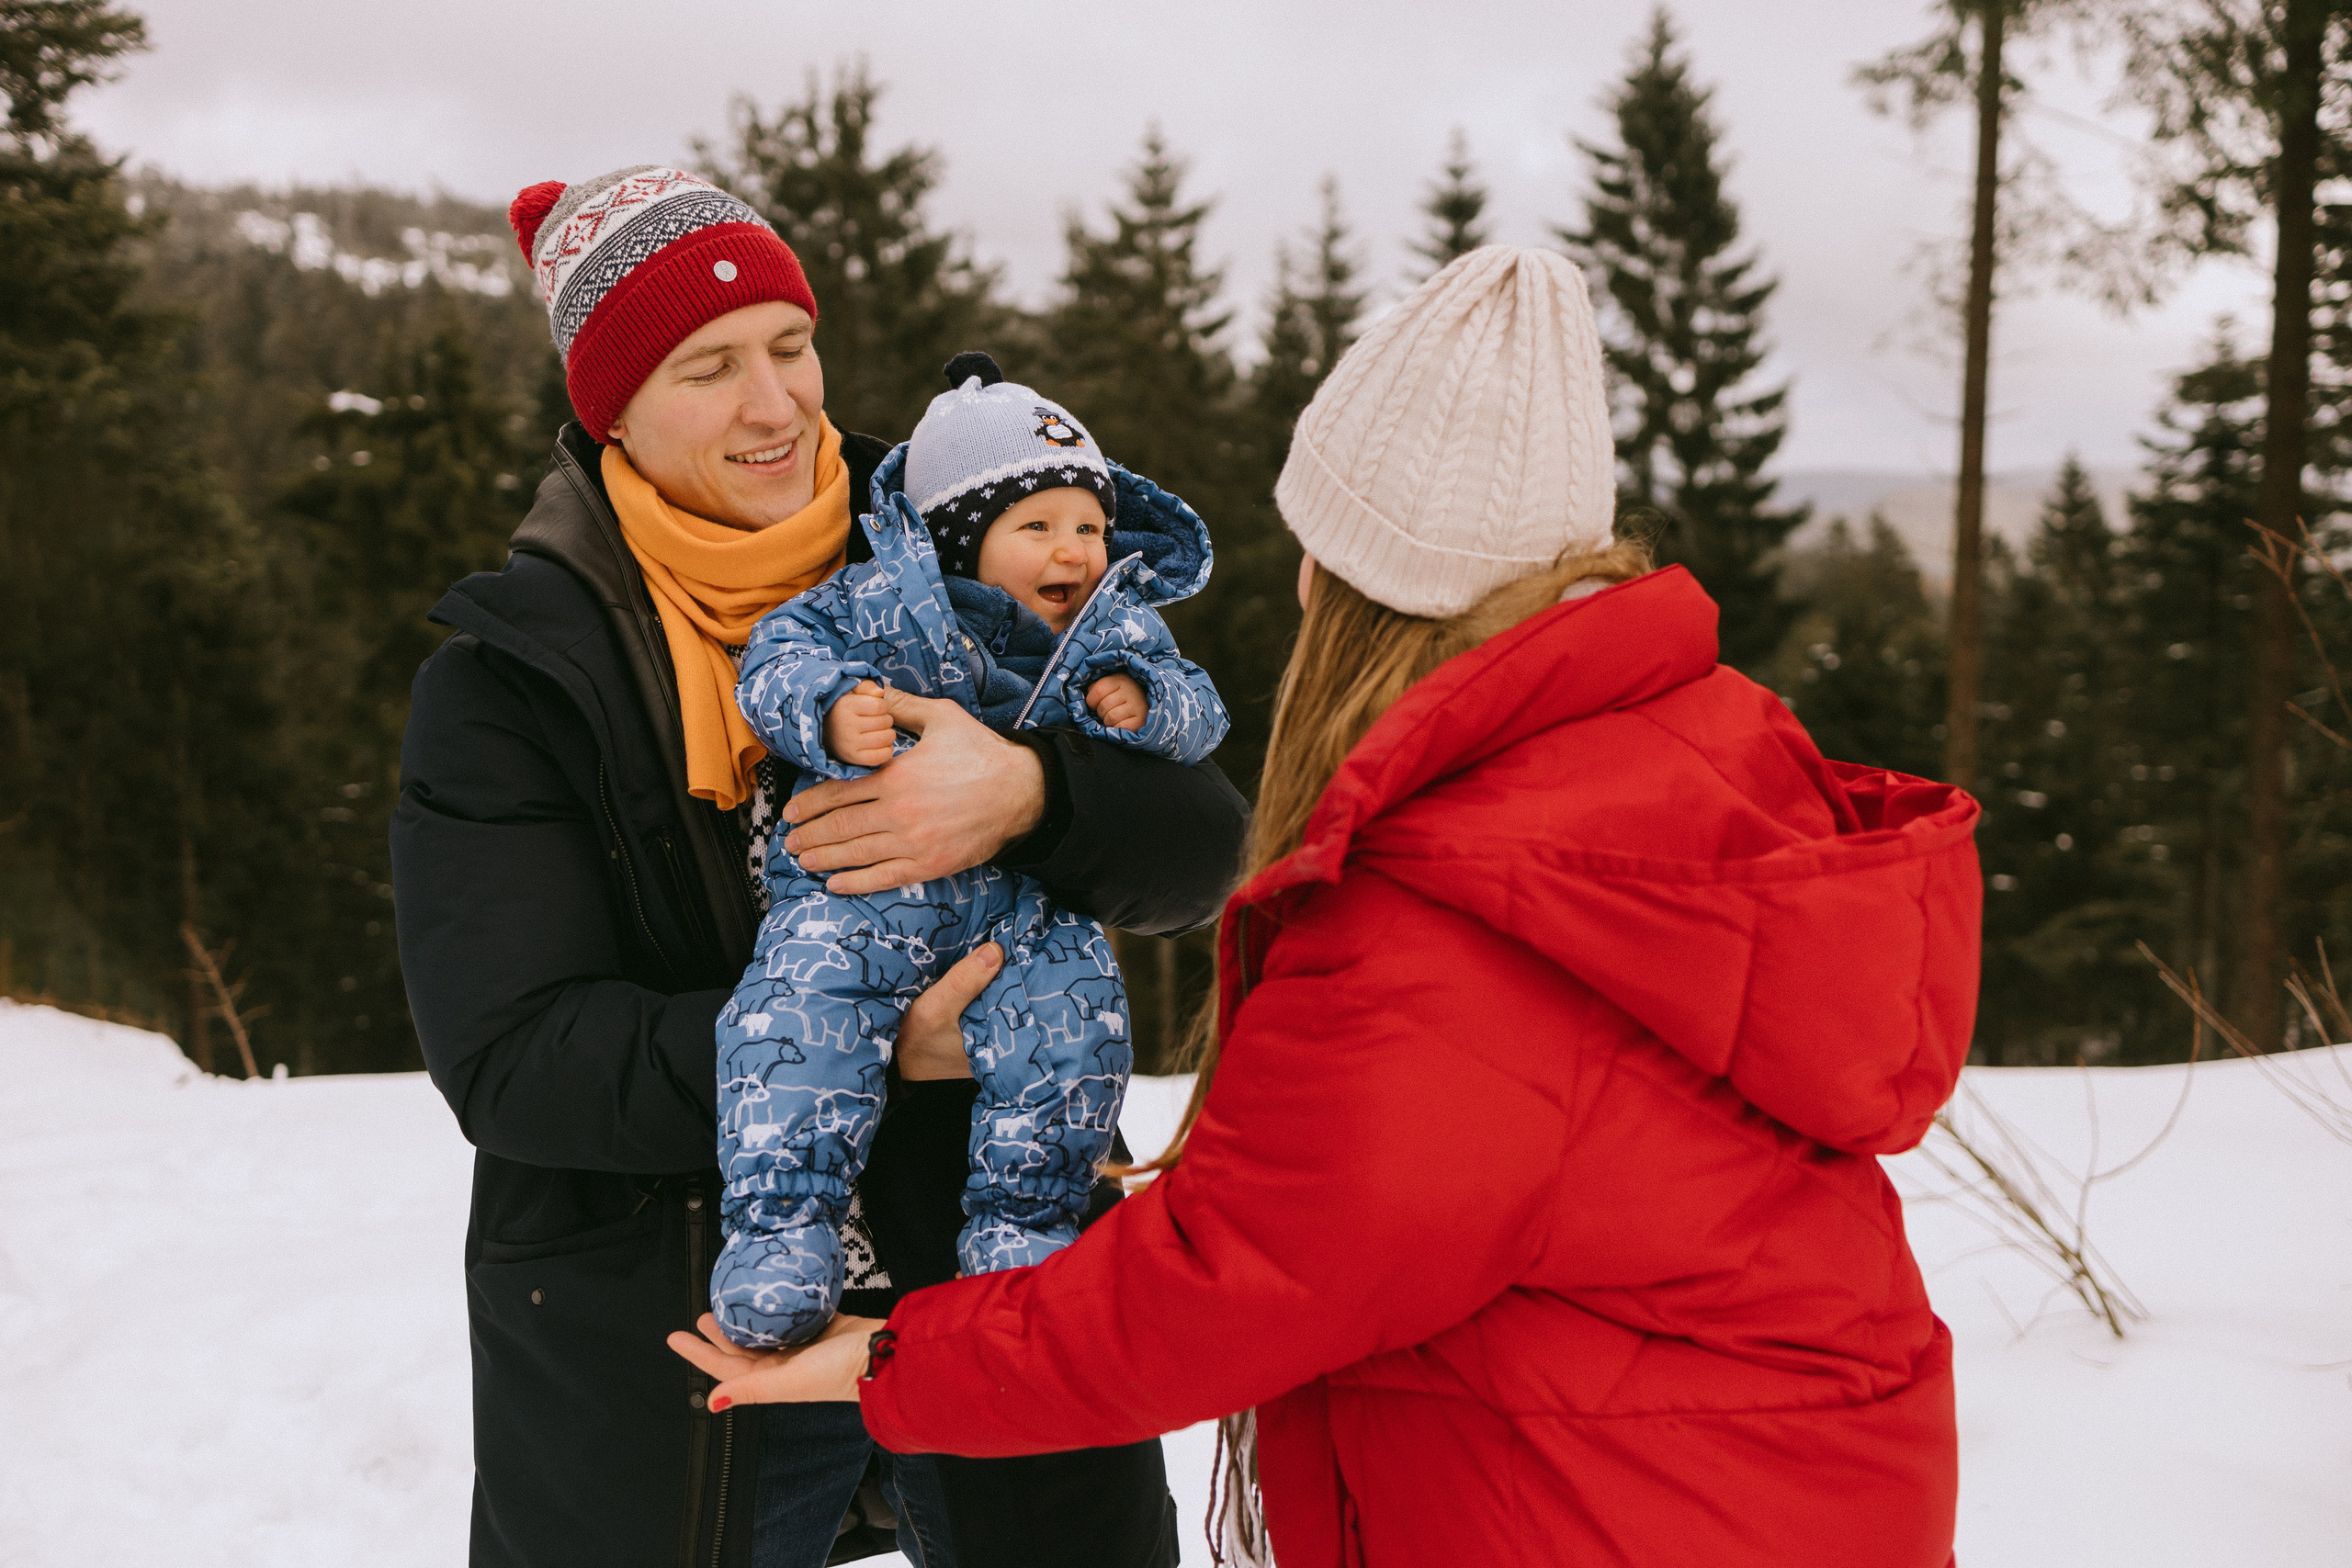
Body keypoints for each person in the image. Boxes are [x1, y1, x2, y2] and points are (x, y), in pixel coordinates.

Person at [670, 246, 1979, 1568]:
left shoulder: (1449, 910)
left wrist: (895, 1355)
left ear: (1362, 577)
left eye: (1313, 546)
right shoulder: (1686, 754)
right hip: (1783, 1479)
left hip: (1603, 1507)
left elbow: (1226, 1280)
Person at [391, 164, 1243, 1568]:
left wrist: (1030, 792)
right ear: (614, 408)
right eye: (708, 368)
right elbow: (516, 1056)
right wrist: (865, 1048)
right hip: (671, 1343)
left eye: (791, 346)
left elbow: (1198, 842)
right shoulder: (513, 680)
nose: (778, 404)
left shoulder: (955, 545)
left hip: (981, 1283)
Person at [715, 351, 1227, 1348]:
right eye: (1036, 526)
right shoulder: (874, 601)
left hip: (1027, 913)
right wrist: (828, 712)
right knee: (791, 1021)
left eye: (1088, 525)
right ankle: (784, 1230)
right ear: (956, 536)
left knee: (1075, 1037)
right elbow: (778, 656)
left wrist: (1148, 705)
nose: (1072, 550)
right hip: (861, 900)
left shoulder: (1117, 630)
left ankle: (1028, 1239)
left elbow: (1200, 717)